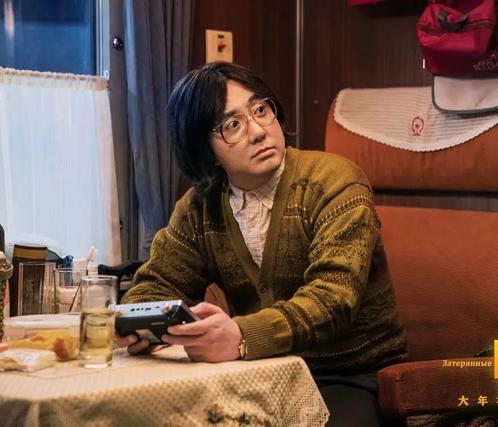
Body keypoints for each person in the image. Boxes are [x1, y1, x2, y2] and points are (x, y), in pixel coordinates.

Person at [117, 61, 407, 426]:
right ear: (203, 148)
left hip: (348, 373)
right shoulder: (199, 208)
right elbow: (156, 284)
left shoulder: (335, 181)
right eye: (233, 126)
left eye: (260, 110)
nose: (258, 131)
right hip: (256, 373)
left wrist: (241, 336)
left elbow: (332, 299)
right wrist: (141, 325)